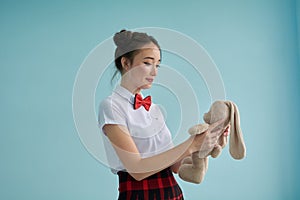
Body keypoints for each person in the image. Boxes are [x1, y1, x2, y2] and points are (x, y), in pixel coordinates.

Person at [98, 29, 229, 200]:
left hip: (173, 194)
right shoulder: (111, 106)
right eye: (147, 63)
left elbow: (176, 166)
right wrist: (192, 144)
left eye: (158, 64)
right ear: (126, 63)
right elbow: (136, 169)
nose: (155, 72)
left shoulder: (154, 109)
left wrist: (207, 143)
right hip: (139, 195)